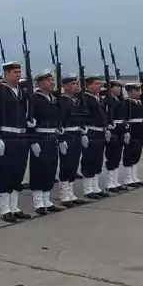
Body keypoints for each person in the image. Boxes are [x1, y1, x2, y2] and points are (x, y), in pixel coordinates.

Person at [0, 61, 32, 222]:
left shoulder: (22, 91)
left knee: (18, 172)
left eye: (19, 72)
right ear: (6, 74)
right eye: (15, 72)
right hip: (6, 136)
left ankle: (15, 207)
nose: (18, 75)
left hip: (21, 137)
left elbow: (26, 111)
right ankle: (5, 209)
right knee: (5, 173)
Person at [28, 70, 64, 215]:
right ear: (40, 83)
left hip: (52, 138)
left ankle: (47, 200)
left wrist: (59, 129)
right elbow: (29, 122)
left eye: (52, 80)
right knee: (39, 170)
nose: (51, 82)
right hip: (40, 138)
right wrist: (33, 141)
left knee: (51, 168)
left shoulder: (53, 99)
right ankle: (38, 202)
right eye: (48, 80)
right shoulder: (35, 99)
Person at [57, 74, 87, 206]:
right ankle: (64, 195)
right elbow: (60, 122)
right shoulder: (61, 101)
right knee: (66, 165)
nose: (76, 86)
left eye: (76, 83)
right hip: (67, 135)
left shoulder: (75, 100)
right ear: (65, 86)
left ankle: (70, 193)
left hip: (76, 134)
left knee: (74, 164)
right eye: (73, 83)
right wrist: (61, 139)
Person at [80, 74, 111, 200]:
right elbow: (81, 116)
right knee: (89, 160)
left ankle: (95, 187)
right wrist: (84, 133)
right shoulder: (85, 99)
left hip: (100, 132)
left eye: (100, 84)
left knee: (98, 160)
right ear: (88, 85)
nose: (99, 86)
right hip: (91, 132)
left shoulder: (98, 98)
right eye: (96, 84)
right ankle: (88, 188)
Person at [121, 82, 143, 186]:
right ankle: (128, 178)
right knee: (129, 154)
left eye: (139, 90)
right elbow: (124, 119)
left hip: (140, 130)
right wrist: (126, 132)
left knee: (137, 153)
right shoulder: (126, 103)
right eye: (136, 91)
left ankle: (134, 176)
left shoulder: (139, 103)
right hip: (131, 130)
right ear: (129, 92)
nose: (139, 93)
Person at [103, 79, 127, 192]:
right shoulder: (107, 100)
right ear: (110, 88)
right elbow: (105, 115)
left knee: (118, 155)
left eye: (120, 87)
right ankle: (109, 182)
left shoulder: (119, 100)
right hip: (112, 129)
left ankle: (115, 180)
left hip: (120, 129)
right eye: (116, 87)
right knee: (112, 155)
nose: (119, 89)